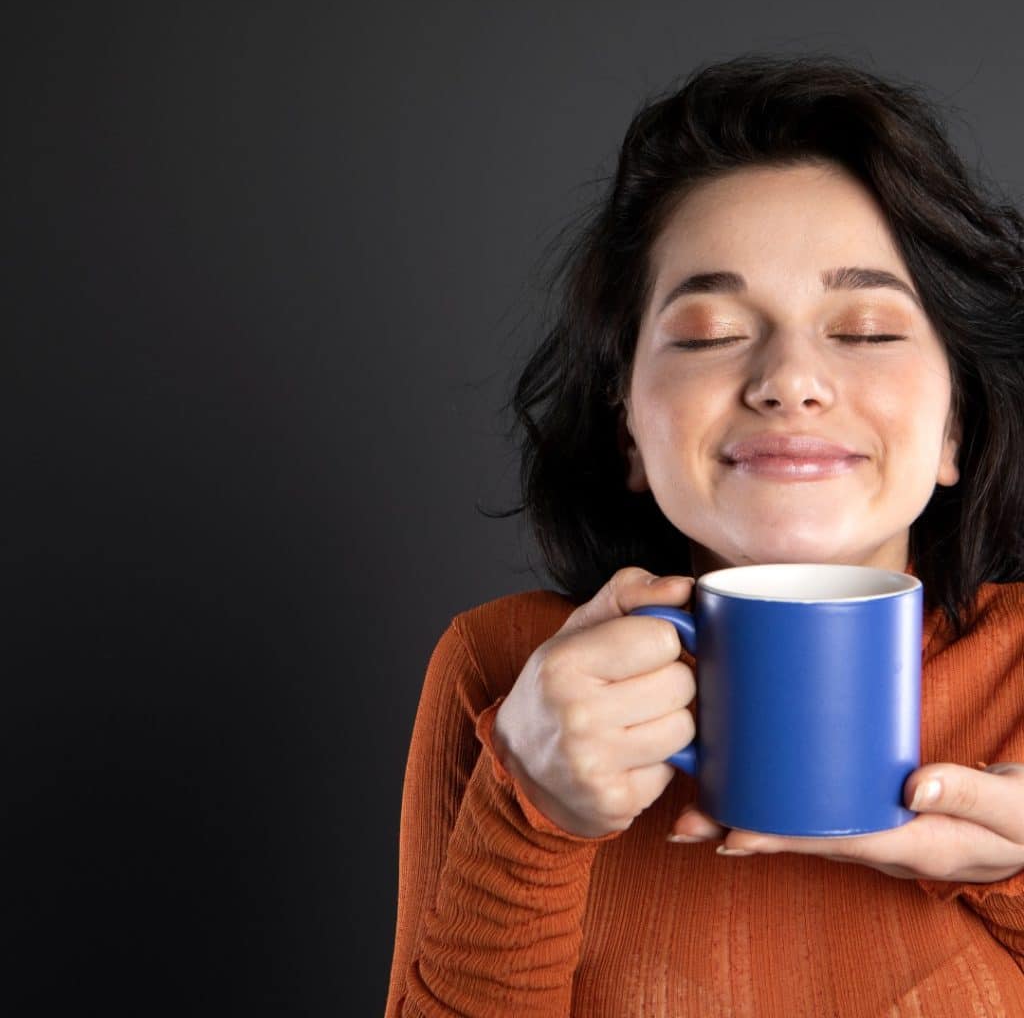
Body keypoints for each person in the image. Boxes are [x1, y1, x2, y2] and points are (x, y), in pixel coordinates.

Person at [385, 53, 1024, 1016]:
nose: (789, 378)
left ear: (955, 430)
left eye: (864, 330)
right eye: (712, 331)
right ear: (629, 427)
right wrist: (528, 817)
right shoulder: (503, 670)